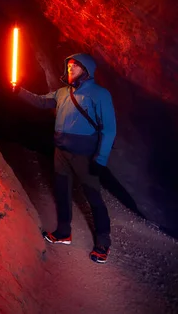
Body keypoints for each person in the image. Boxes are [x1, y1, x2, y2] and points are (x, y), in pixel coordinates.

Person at [13, 53, 116, 264]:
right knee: (62, 192)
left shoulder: (100, 95)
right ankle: (63, 232)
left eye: (75, 67)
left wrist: (100, 159)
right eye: (68, 67)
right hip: (61, 152)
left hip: (85, 156)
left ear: (86, 71)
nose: (70, 70)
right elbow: (41, 102)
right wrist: (18, 91)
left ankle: (103, 243)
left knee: (93, 198)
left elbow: (109, 130)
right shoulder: (62, 93)